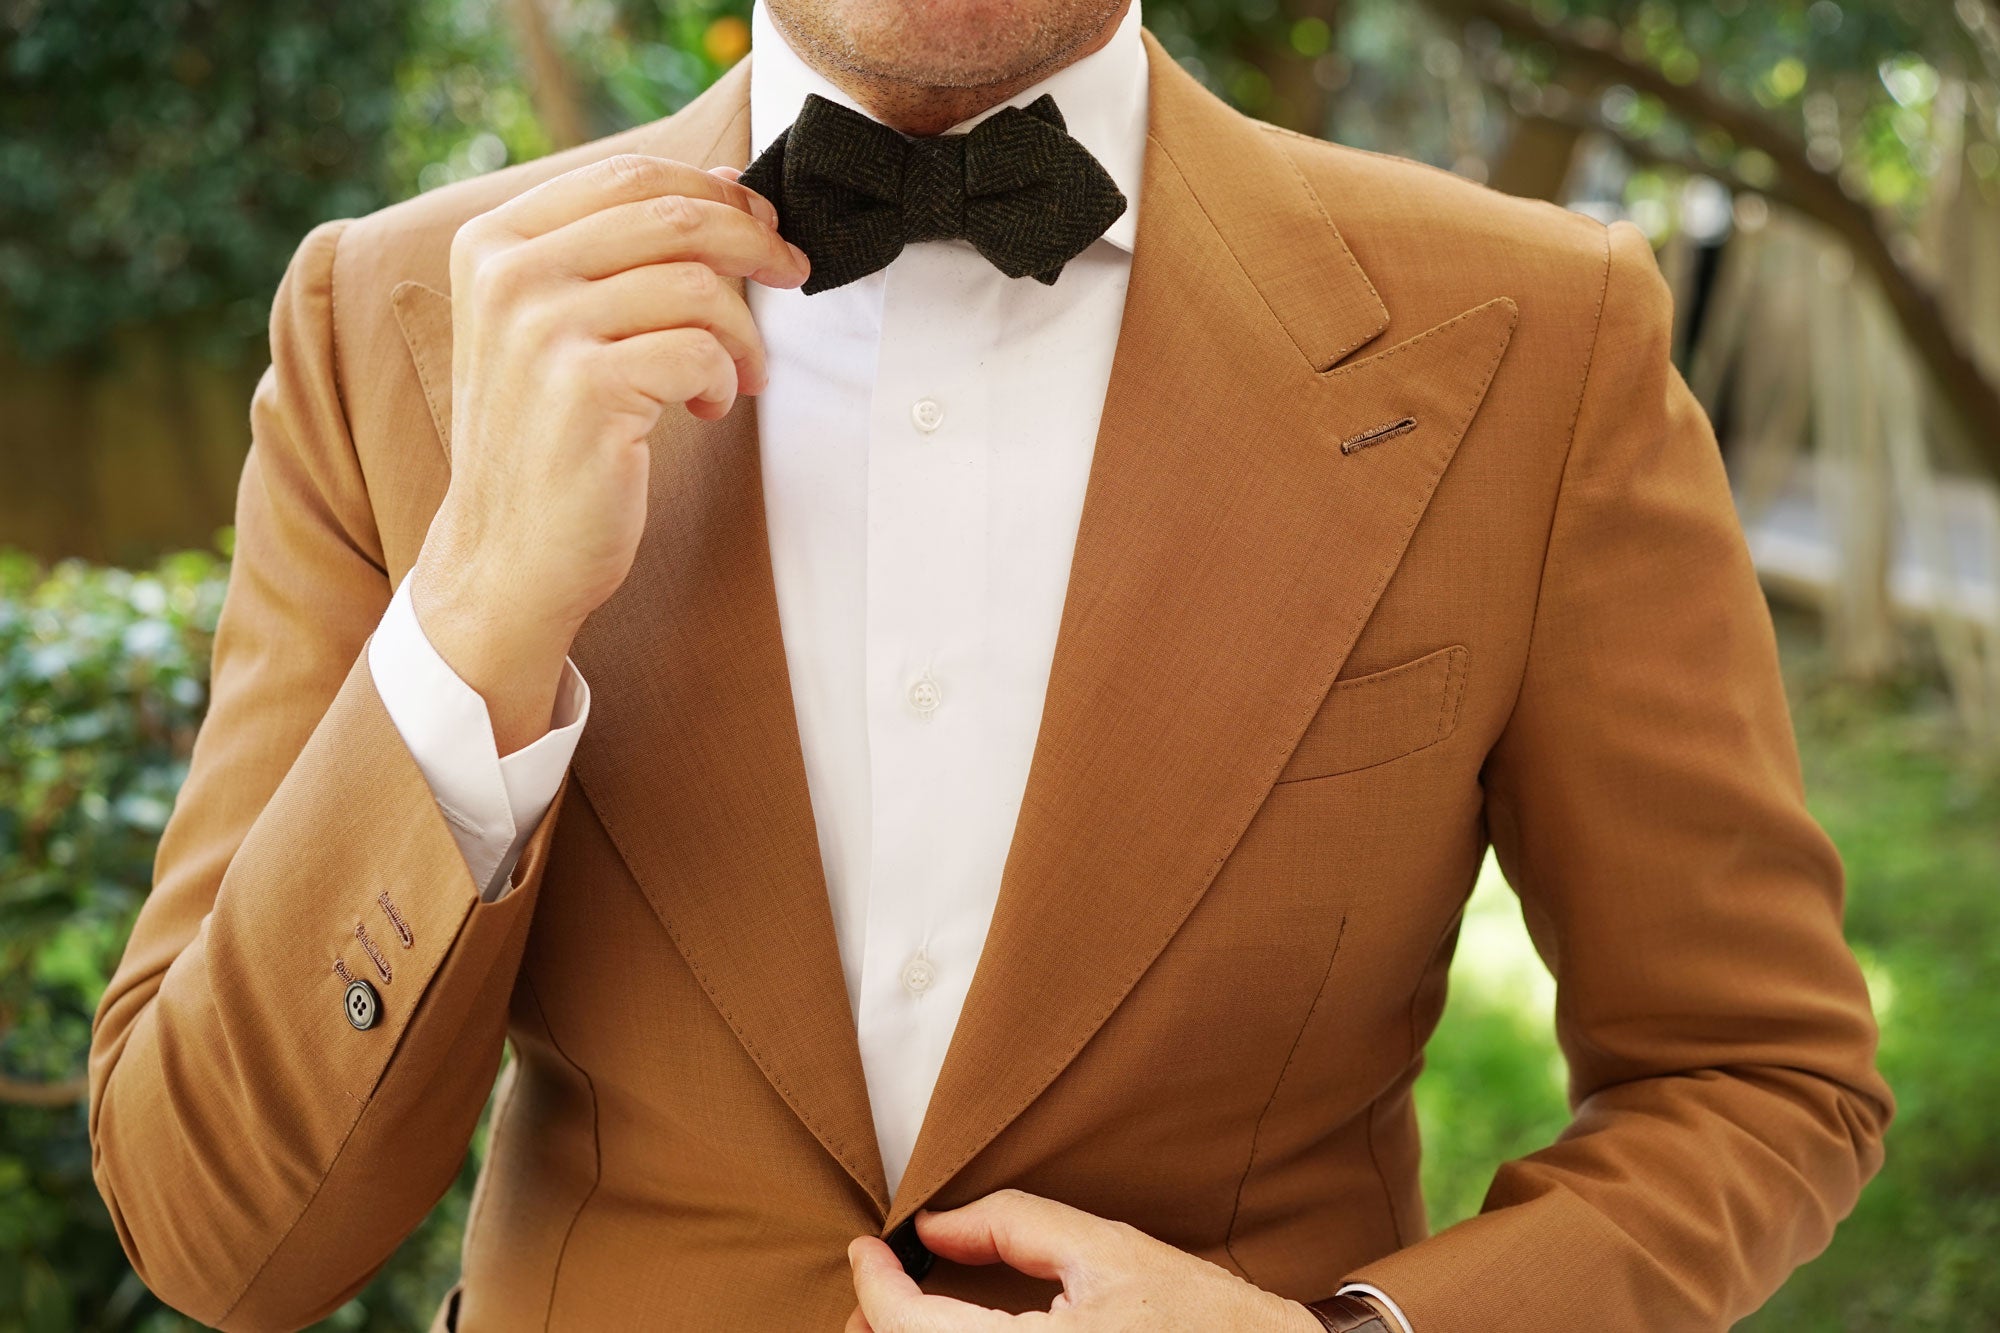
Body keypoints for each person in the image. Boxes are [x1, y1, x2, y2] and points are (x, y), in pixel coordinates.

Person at [87, 0, 1892, 1328]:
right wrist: (479, 608)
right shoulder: (387, 327)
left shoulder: (1541, 334)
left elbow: (1759, 1074)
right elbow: (218, 1230)